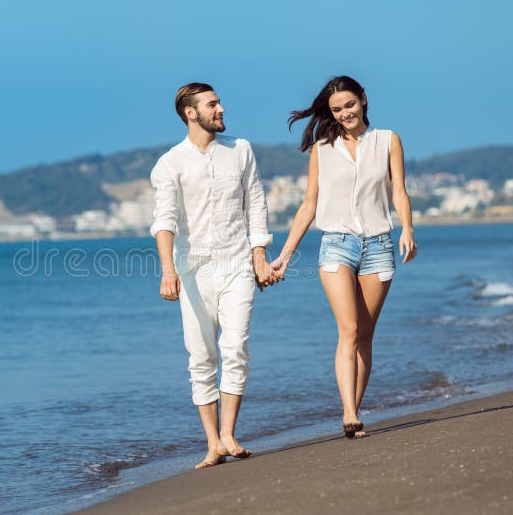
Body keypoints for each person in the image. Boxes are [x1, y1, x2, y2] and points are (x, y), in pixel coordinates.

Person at [270, 75, 417, 438]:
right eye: (336, 109)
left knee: (365, 334)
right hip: (336, 244)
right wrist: (286, 254)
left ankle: (356, 407)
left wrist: (407, 229)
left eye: (349, 105)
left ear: (363, 100)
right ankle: (349, 412)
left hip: (380, 246)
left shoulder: (387, 140)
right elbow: (309, 204)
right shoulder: (322, 147)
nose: (344, 113)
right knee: (348, 329)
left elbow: (398, 191)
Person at [150, 82, 275, 469]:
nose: (220, 109)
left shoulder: (241, 150)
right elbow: (164, 220)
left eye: (219, 102)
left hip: (237, 262)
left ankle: (229, 434)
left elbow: (255, 203)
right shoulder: (171, 163)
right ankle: (212, 444)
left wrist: (259, 255)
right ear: (191, 113)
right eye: (212, 104)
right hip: (194, 271)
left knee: (235, 347)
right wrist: (168, 271)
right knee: (201, 356)